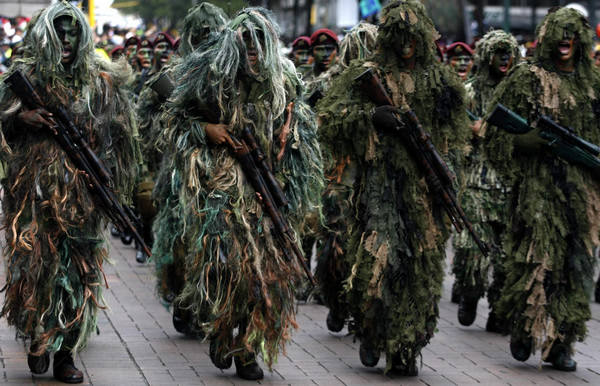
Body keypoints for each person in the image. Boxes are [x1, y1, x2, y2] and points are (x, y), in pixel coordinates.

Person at [161, 7, 323, 380]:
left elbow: (302, 140)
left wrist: (290, 180)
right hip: (221, 191)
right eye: (244, 42)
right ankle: (222, 329)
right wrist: (207, 131)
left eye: (258, 43)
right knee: (225, 269)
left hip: (270, 191)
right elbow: (171, 123)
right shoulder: (209, 79)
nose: (252, 50)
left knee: (264, 276)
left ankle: (247, 349)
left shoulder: (284, 84)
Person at [317, 0, 469, 375]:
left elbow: (455, 137)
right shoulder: (366, 74)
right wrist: (371, 116)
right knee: (375, 265)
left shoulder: (442, 81)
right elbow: (330, 118)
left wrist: (447, 176)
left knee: (421, 272)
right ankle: (372, 332)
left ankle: (407, 346)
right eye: (398, 35)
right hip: (377, 189)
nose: (406, 44)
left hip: (425, 192)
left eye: (411, 36)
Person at [0, 1, 139, 383]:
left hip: (82, 197)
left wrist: (110, 181)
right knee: (36, 267)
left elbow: (120, 139)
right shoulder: (24, 77)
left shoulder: (99, 81)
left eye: (72, 30)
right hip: (32, 194)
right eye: (59, 30)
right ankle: (37, 336)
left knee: (78, 273)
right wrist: (21, 118)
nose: (65, 38)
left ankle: (66, 354)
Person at [485, 6, 600, 372]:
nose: (565, 40)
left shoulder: (593, 84)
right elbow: (494, 133)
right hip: (537, 190)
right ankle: (524, 324)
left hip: (583, 194)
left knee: (577, 268)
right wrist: (524, 142)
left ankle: (562, 342)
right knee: (535, 260)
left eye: (572, 33)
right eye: (559, 33)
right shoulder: (527, 78)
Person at [148, 1, 229, 336]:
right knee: (183, 244)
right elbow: (159, 127)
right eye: (201, 33)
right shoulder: (176, 75)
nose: (207, 38)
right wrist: (200, 130)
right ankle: (186, 302)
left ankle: (212, 306)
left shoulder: (231, 73)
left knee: (218, 245)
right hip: (182, 174)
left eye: (213, 33)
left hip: (225, 173)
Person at [451, 29, 520, 332]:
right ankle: (469, 293)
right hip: (476, 184)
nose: (504, 59)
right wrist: (470, 131)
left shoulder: (519, 93)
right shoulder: (469, 92)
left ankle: (499, 311)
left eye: (509, 53)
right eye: (498, 53)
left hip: (510, 186)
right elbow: (454, 134)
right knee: (471, 253)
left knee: (508, 259)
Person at [314, 21, 378, 332]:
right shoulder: (329, 83)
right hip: (338, 179)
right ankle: (336, 303)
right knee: (334, 251)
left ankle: (363, 315)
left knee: (372, 252)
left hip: (376, 179)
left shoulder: (386, 86)